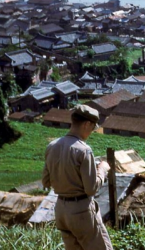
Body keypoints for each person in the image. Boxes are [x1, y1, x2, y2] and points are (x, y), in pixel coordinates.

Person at [42, 105, 113, 250]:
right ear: (87, 124)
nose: (92, 132)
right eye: (93, 128)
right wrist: (102, 170)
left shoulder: (52, 146)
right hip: (80, 210)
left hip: (61, 209)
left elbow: (46, 181)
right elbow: (91, 189)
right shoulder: (84, 150)